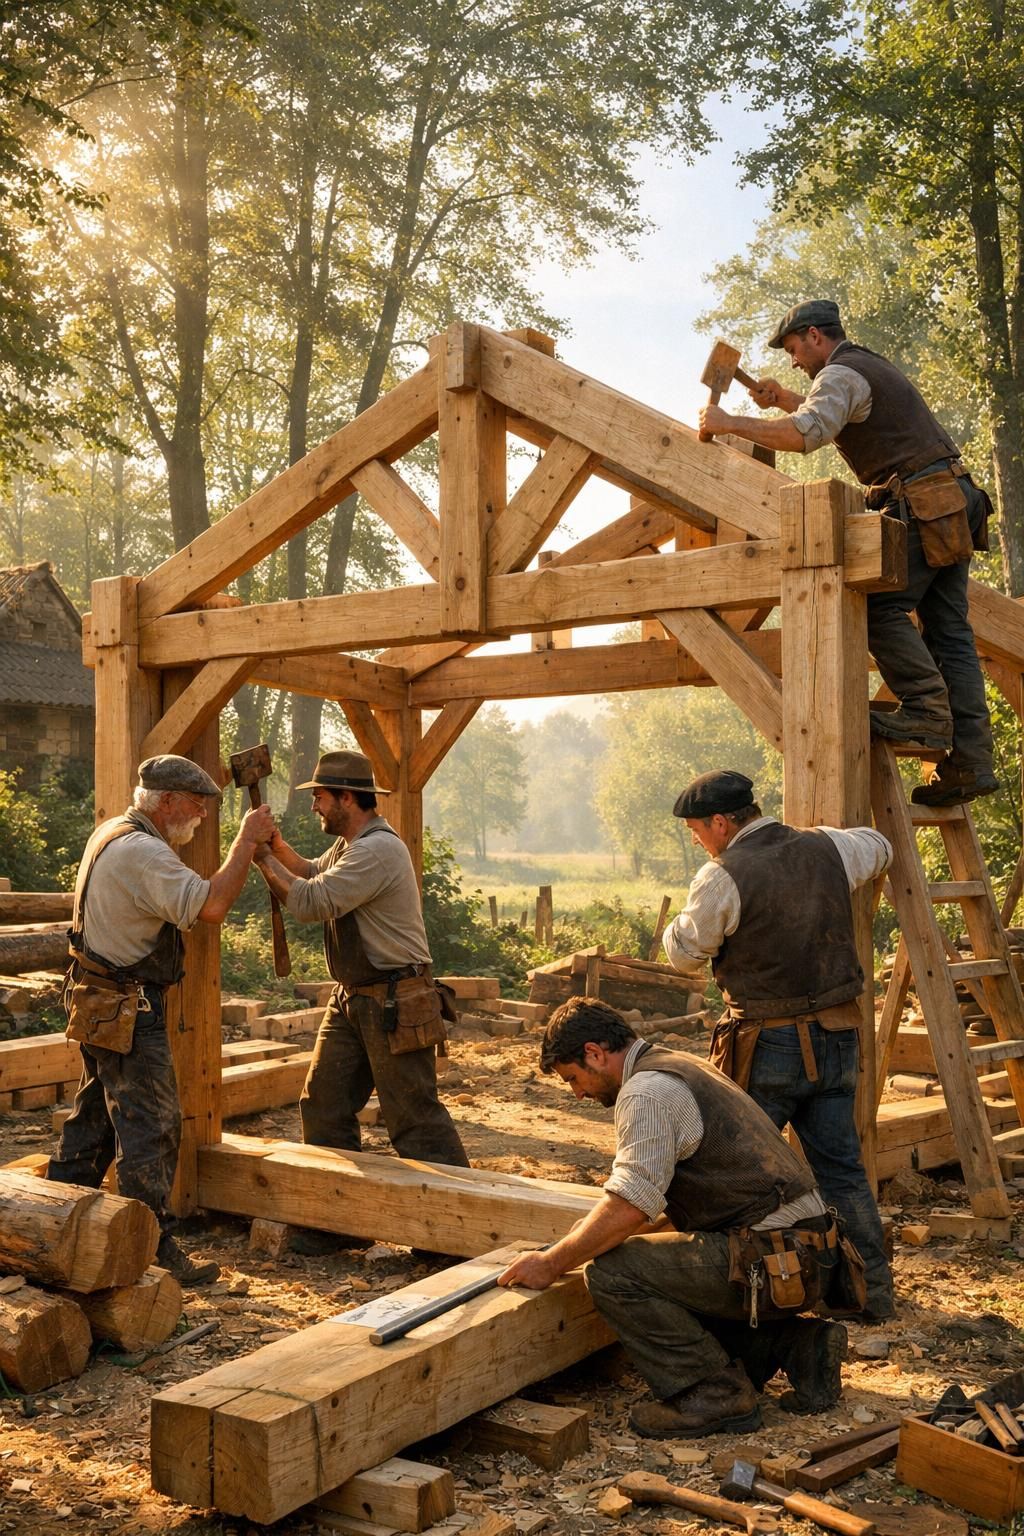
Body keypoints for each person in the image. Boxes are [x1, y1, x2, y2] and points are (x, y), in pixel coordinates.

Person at [498, 996, 850, 1437]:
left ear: (594, 1053)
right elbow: (661, 1206)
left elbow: (630, 1203)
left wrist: (553, 1262)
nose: (579, 1093)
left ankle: (714, 1395)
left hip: (776, 1260)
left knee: (614, 1273)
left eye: (574, 1079)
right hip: (807, 1254)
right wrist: (593, 1236)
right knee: (645, 1257)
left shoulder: (646, 1093)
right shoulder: (677, 1063)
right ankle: (797, 1348)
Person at [698, 299, 997, 807]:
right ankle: (970, 764)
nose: (793, 360)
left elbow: (807, 433)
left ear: (815, 336)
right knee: (950, 632)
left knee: (876, 605)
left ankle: (925, 709)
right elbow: (840, 412)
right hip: (953, 500)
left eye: (794, 350)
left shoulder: (839, 374)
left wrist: (730, 423)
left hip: (923, 502)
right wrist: (785, 399)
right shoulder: (863, 365)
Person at [663, 769, 895, 1321]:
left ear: (721, 823)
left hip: (768, 1046)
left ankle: (752, 1296)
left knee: (737, 1169)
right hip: (839, 1037)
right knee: (842, 1170)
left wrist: (677, 924)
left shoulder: (721, 877)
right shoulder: (831, 848)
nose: (697, 839)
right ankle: (872, 1297)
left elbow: (685, 955)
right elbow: (881, 845)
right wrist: (813, 838)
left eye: (697, 829)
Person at [49, 754, 274, 1286]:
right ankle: (150, 1247)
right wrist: (244, 843)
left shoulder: (113, 831)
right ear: (167, 801)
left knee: (98, 1119)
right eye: (195, 807)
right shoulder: (144, 852)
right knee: (154, 1125)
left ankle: (54, 1217)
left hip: (99, 1000)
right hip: (129, 1008)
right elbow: (211, 907)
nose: (199, 819)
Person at [253, 749, 468, 1168]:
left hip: (395, 1001)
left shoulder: (377, 850)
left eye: (320, 796)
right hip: (354, 999)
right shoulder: (348, 847)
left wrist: (259, 856)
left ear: (346, 798)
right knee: (323, 1108)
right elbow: (313, 873)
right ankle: (337, 1218)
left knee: (414, 1121)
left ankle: (458, 1222)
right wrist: (277, 848)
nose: (314, 804)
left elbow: (311, 901)